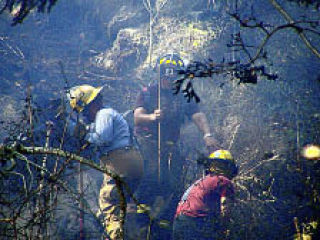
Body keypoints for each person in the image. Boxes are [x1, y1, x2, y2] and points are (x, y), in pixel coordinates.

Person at [133, 53, 220, 237]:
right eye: (165, 77)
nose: (169, 81)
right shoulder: (148, 92)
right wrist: (152, 117)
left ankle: (164, 222)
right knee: (152, 174)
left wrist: (207, 134)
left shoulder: (183, 95)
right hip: (148, 142)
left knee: (173, 181)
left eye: (173, 77)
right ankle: (140, 219)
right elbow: (137, 116)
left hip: (170, 145)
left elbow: (198, 115)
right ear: (159, 75)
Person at [67, 84, 144, 240]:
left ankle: (116, 237)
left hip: (119, 161)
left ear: (90, 105)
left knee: (107, 201)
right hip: (132, 161)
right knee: (123, 205)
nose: (84, 115)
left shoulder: (104, 113)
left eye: (83, 111)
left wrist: (84, 135)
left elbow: (102, 138)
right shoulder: (107, 115)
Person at [173, 149, 238, 240]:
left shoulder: (201, 182)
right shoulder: (223, 181)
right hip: (197, 223)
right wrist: (223, 229)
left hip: (179, 222)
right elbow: (225, 208)